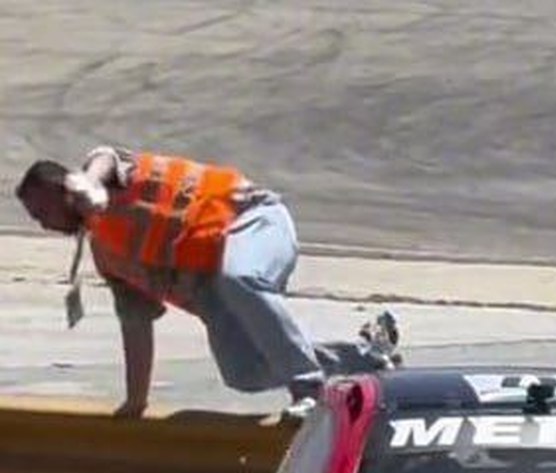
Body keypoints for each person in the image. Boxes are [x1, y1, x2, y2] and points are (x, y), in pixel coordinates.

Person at [15, 147, 326, 418]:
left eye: (43, 212)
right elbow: (136, 327)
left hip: (252, 221)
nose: (43, 224)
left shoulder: (110, 181)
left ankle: (308, 386)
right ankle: (350, 362)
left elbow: (105, 156)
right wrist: (136, 402)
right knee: (243, 374)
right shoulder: (109, 258)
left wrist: (89, 182)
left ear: (65, 189)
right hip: (218, 294)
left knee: (238, 276)